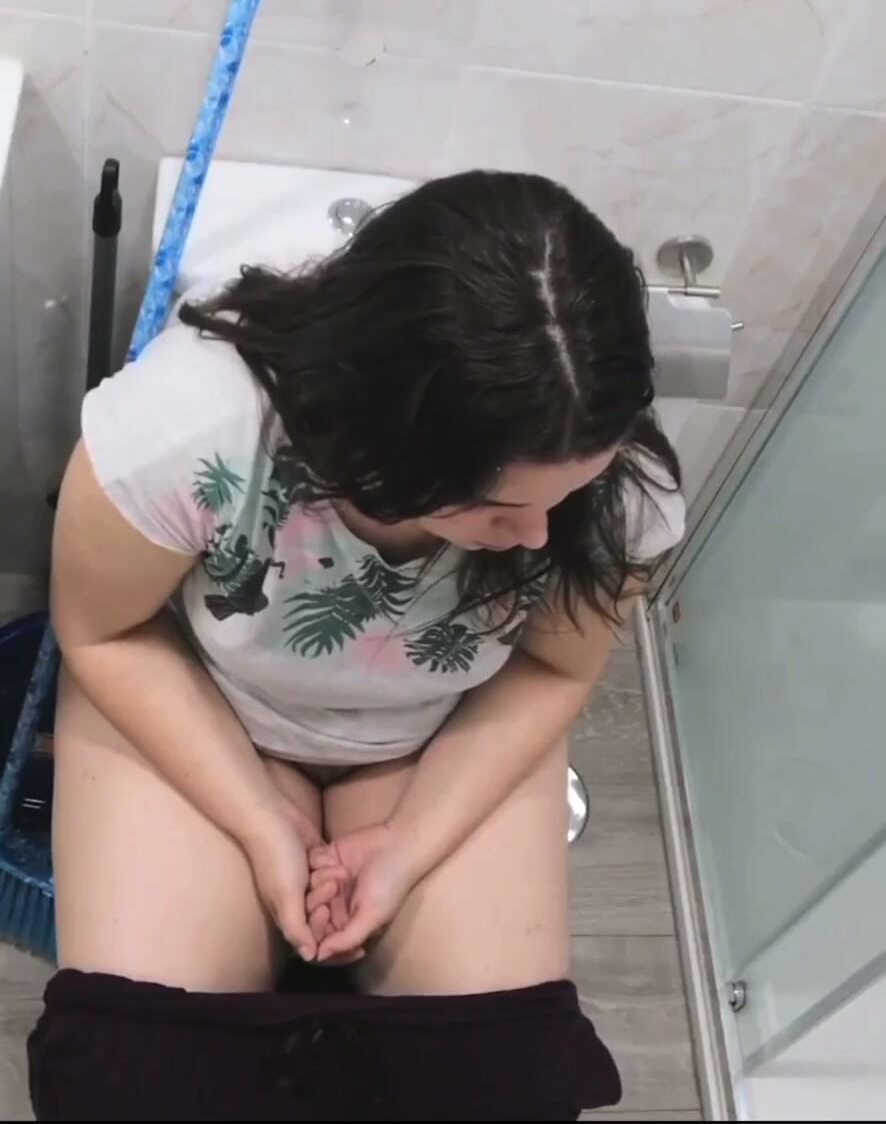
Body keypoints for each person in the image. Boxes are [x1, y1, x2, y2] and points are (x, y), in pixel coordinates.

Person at [28, 168, 685, 1121]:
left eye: (566, 494)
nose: (540, 535)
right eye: (494, 505)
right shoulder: (192, 427)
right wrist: (257, 815)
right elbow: (102, 629)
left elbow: (554, 667)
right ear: (369, 447)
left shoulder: (617, 485)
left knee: (500, 1084)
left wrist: (410, 846)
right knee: (133, 1081)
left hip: (435, 723)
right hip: (203, 695)